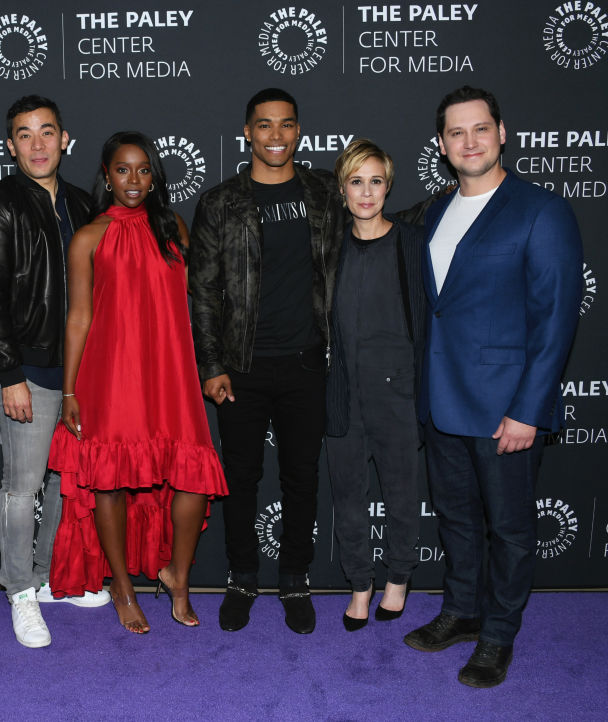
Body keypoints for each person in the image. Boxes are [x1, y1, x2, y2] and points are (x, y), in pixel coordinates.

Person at [404, 86, 582, 687]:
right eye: (456, 132)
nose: (470, 141)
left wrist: (529, 410)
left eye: (480, 128)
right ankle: (462, 611)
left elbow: (555, 319)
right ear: (442, 144)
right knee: (455, 519)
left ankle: (499, 634)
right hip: (441, 402)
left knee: (509, 529)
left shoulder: (541, 210)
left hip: (506, 407)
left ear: (502, 133)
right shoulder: (433, 213)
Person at [48, 132, 228, 634]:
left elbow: (200, 296)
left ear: (155, 177)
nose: (134, 179)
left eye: (144, 170)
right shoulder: (89, 236)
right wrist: (69, 391)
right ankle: (122, 588)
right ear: (106, 176)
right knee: (109, 479)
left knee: (191, 474)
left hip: (169, 368)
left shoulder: (173, 227)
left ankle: (178, 577)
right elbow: (79, 318)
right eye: (123, 170)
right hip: (110, 373)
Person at [189, 88, 342, 634]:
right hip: (241, 368)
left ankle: (295, 578)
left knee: (302, 477)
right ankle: (243, 577)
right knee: (241, 478)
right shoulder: (220, 202)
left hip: (307, 362)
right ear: (247, 133)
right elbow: (203, 290)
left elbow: (373, 227)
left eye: (286, 124)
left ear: (298, 130)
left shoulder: (325, 192)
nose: (276, 135)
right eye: (264, 125)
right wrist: (212, 364)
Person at [0, 95, 109, 649]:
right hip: (27, 368)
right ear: (11, 146)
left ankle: (48, 578)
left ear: (64, 139)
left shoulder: (82, 203)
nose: (38, 144)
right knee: (22, 487)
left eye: (47, 132)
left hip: (80, 372)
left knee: (61, 483)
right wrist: (9, 374)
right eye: (24, 135)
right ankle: (19, 590)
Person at [324, 139, 426, 631]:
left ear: (389, 187)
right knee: (348, 496)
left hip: (398, 391)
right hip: (343, 390)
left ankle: (399, 579)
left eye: (376, 181)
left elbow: (427, 318)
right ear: (342, 189)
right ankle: (360, 585)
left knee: (403, 492)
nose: (366, 192)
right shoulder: (329, 247)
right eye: (357, 182)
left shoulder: (411, 242)